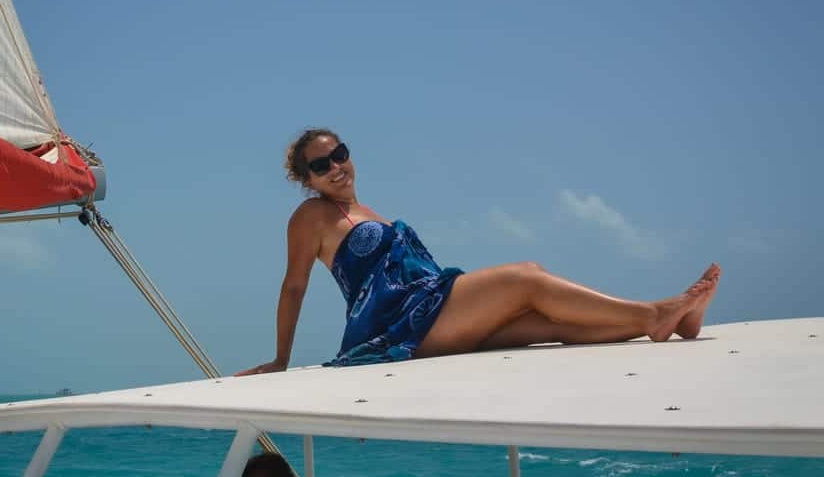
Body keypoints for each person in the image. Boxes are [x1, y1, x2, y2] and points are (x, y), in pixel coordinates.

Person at [239, 128, 721, 371]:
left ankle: (667, 325)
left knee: (552, 327)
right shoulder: (311, 217)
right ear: (307, 181)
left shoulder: (371, 212)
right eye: (321, 165)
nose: (336, 166)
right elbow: (294, 286)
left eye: (339, 153)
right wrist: (281, 358)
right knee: (526, 276)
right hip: (401, 324)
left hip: (432, 310)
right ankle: (658, 312)